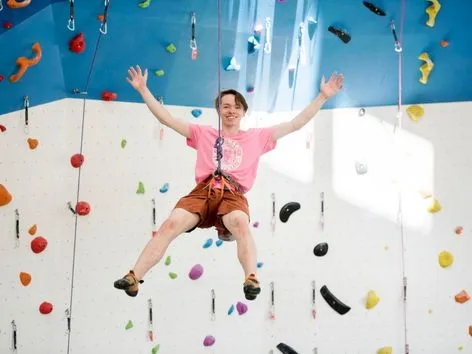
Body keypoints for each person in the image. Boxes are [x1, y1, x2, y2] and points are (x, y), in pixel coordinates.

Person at [114, 65, 344, 300]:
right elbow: (168, 119)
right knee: (171, 224)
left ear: (244, 111)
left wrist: (323, 96)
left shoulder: (258, 137)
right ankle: (134, 276)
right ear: (218, 111)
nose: (231, 110)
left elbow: (296, 123)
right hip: (203, 191)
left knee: (240, 223)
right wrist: (143, 90)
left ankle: (251, 278)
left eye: (236, 106)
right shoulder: (203, 133)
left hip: (233, 194)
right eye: (225, 106)